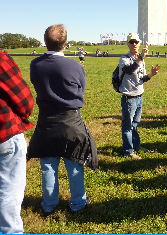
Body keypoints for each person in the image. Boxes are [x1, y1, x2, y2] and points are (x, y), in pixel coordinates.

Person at [28, 24, 98, 216]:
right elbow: (80, 89)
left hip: (46, 120)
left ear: (45, 42)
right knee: (74, 163)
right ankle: (78, 204)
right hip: (70, 119)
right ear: (65, 44)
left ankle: (49, 204)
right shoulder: (74, 65)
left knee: (48, 166)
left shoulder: (36, 64)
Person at [0, 51, 34, 234]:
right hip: (4, 133)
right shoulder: (1, 60)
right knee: (9, 192)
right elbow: (24, 100)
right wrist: (22, 117)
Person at [119, 33, 160, 160]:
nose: (134, 44)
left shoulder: (142, 61)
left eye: (136, 42)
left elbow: (141, 78)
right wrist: (141, 56)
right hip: (129, 98)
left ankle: (136, 145)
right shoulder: (124, 59)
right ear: (128, 44)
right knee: (128, 125)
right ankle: (128, 151)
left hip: (139, 96)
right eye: (132, 42)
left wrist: (151, 74)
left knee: (135, 124)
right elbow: (130, 70)